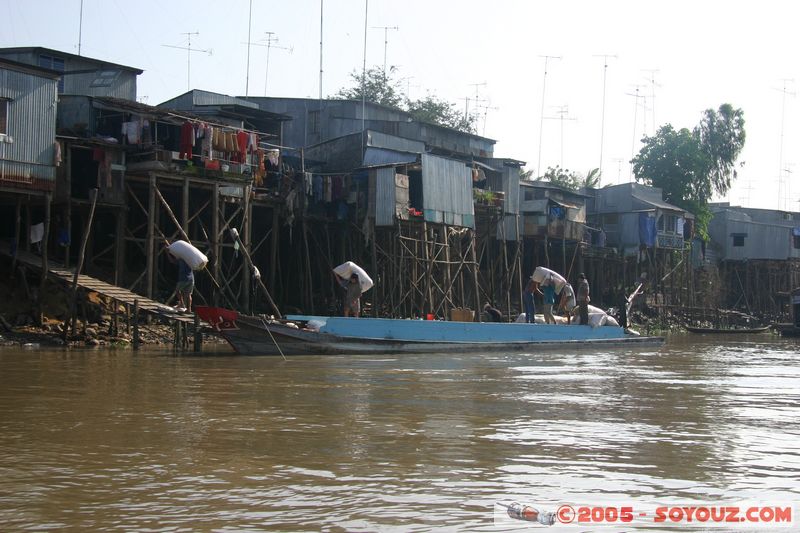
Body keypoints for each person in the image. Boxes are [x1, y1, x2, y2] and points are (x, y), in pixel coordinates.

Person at [165, 242, 194, 312]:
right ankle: (189, 309)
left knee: (177, 291)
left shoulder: (182, 259)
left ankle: (182, 304)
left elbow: (172, 261)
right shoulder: (190, 259)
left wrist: (167, 252)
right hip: (191, 279)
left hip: (183, 278)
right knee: (188, 294)